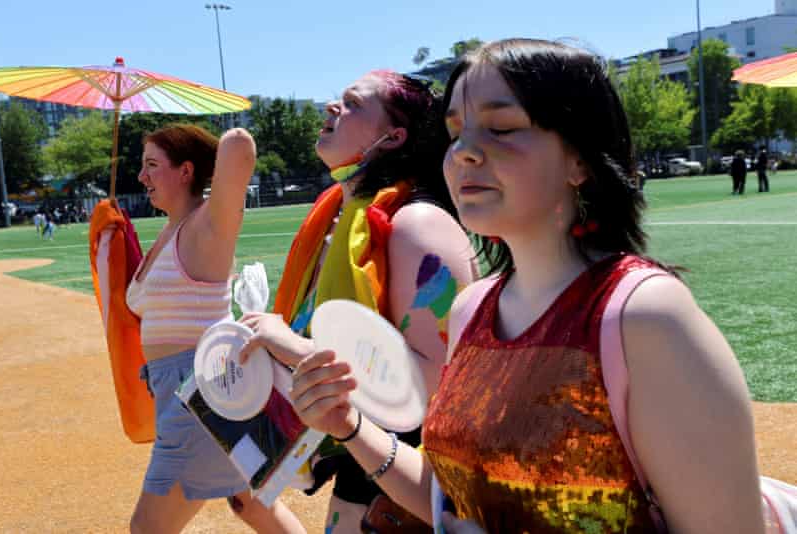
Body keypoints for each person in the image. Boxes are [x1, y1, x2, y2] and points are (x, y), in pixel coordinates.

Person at [289, 39, 764, 533]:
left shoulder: (643, 317)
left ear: (580, 159)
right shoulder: (471, 308)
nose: (465, 152)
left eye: (501, 128)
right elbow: (445, 495)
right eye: (456, 131)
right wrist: (348, 425)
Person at [237, 70, 477, 532]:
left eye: (352, 103)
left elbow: (436, 382)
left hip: (408, 477)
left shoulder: (416, 224)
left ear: (393, 136)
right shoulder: (339, 216)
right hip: (364, 462)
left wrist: (289, 344)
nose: (332, 107)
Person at [124, 124, 305, 534]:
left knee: (147, 528)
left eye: (152, 165)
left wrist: (211, 139)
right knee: (251, 504)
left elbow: (239, 146)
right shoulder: (168, 231)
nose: (142, 177)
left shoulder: (207, 225)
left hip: (201, 393)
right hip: (186, 388)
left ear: (186, 172)